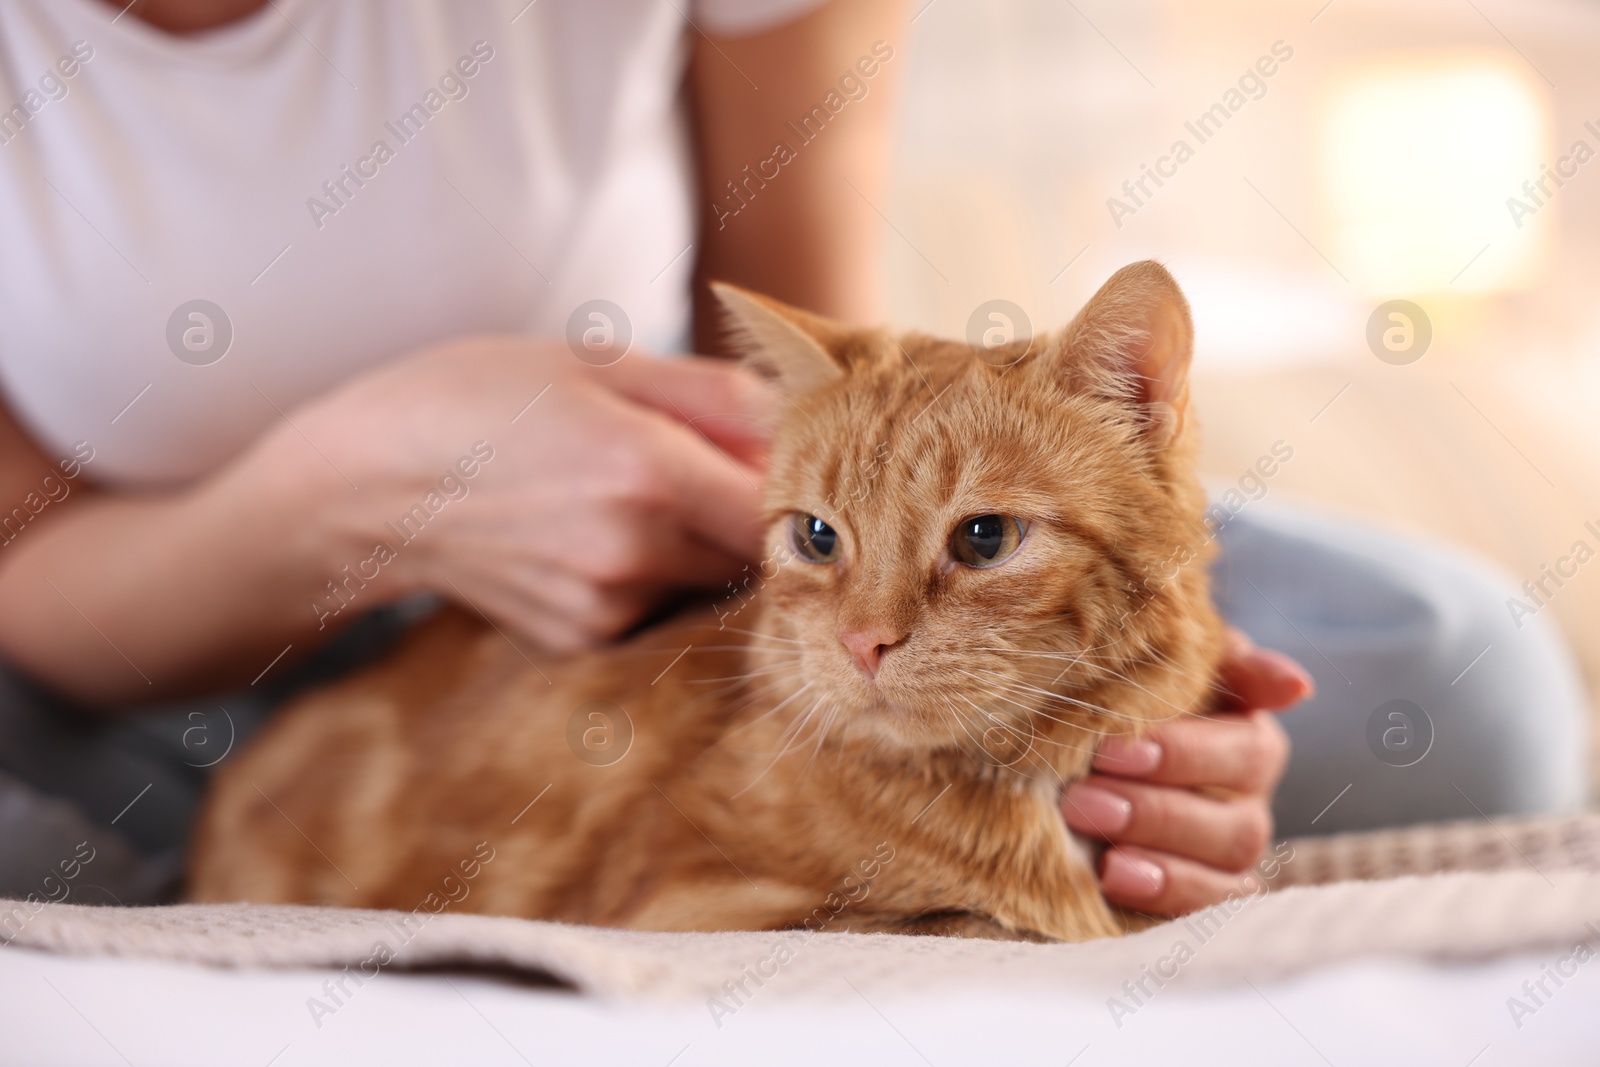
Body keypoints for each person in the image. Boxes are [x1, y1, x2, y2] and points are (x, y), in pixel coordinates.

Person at [0, 0, 1584, 919]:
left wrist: (1134, 683)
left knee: (1459, 677)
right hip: (122, 649)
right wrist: (367, 495)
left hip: (715, 558)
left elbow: (840, 381)